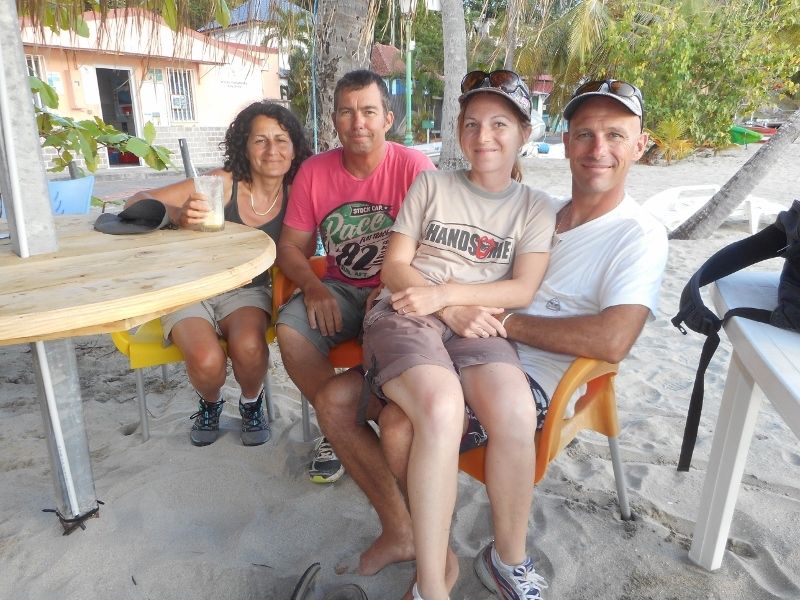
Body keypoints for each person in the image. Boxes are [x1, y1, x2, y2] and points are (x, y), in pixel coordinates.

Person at [319, 78, 668, 600]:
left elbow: (611, 339)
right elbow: (405, 264)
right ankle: (427, 559)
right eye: (585, 134)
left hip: (509, 351)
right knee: (348, 402)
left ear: (639, 145)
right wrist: (438, 302)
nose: (598, 148)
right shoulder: (550, 210)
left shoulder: (631, 232)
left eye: (615, 135)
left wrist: (460, 306)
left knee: (406, 424)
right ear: (565, 140)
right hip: (457, 331)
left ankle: (497, 559)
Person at [362, 70, 554, 600]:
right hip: (408, 309)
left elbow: (522, 288)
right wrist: (444, 306)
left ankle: (508, 560)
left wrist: (450, 299)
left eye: (499, 124)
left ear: (523, 133)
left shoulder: (534, 206)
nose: (483, 136)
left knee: (515, 411)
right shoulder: (432, 185)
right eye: (471, 124)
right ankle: (432, 586)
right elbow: (394, 267)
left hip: (475, 319)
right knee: (441, 408)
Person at [275, 69, 435, 483]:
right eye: (346, 112)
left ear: (388, 119)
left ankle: (365, 419)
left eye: (368, 111)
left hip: (401, 288)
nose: (357, 122)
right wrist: (312, 287)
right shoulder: (314, 172)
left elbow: (434, 249)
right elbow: (290, 247)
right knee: (291, 330)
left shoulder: (415, 167)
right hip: (339, 287)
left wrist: (386, 291)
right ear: (334, 121)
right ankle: (340, 429)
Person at [125, 101, 311, 447]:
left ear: (295, 148)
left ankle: (251, 403)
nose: (272, 150)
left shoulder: (297, 194)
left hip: (248, 290)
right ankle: (210, 403)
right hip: (191, 287)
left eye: (281, 140)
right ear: (244, 147)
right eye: (260, 140)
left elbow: (303, 252)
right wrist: (178, 214)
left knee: (249, 348)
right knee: (207, 360)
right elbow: (136, 200)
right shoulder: (222, 184)